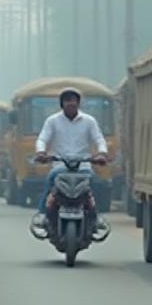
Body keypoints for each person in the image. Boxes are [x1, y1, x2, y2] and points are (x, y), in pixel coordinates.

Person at [32, 88, 109, 231]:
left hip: (83, 166)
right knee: (51, 181)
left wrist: (102, 154)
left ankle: (95, 216)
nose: (70, 104)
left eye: (73, 100)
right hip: (60, 165)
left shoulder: (89, 121)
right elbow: (42, 139)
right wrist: (41, 152)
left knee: (93, 183)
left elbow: (99, 139)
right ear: (62, 104)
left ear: (78, 103)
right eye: (67, 100)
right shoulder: (52, 121)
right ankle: (43, 214)